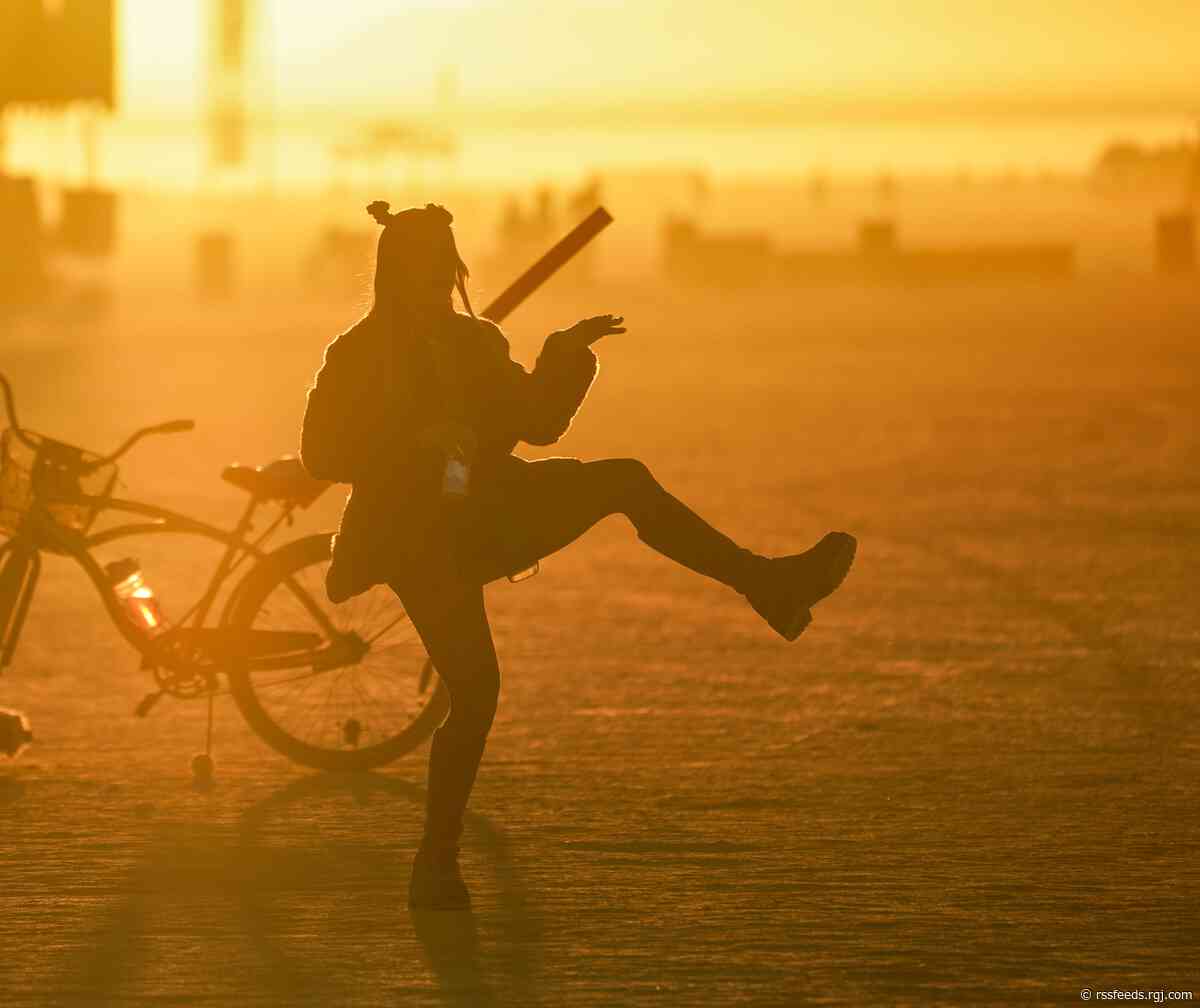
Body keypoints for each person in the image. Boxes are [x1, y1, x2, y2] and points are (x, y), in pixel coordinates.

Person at [301, 201, 857, 910]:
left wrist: (563, 357)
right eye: (427, 268)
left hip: (487, 510)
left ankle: (768, 584)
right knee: (477, 692)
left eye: (447, 267)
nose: (440, 280)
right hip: (414, 538)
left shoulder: (475, 340)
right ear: (398, 272)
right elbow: (321, 453)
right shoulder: (357, 354)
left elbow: (537, 424)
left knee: (624, 481)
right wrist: (412, 438)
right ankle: (436, 863)